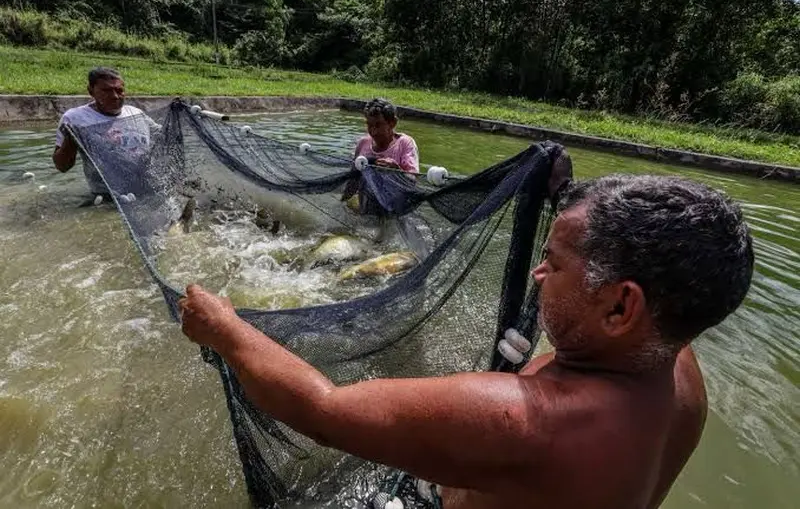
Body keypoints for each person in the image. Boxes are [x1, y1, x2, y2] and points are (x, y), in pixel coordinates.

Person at [179, 169, 754, 509]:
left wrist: (225, 328)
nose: (538, 274)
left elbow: (321, 410)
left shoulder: (535, 425)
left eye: (554, 263)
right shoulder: (676, 364)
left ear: (622, 306)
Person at [52, 67, 160, 199]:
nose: (115, 96)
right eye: (106, 91)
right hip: (108, 197)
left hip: (148, 189)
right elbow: (62, 167)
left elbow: (164, 137)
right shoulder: (76, 118)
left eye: (119, 90)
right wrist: (70, 139)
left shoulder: (136, 113)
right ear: (91, 91)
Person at [354, 98, 419, 174]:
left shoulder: (404, 144)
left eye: (378, 125)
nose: (373, 131)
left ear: (392, 123)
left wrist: (397, 170)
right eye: (369, 125)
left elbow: (413, 178)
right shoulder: (363, 143)